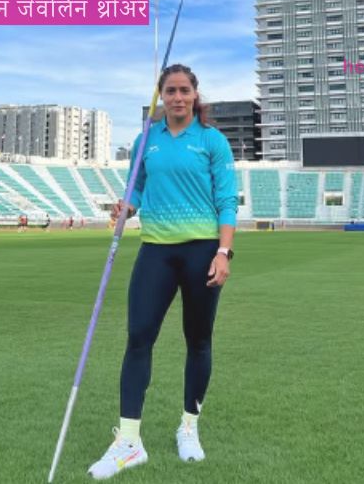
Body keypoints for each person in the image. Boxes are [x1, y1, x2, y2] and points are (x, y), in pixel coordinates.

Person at [88, 64, 238, 480]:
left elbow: (227, 200)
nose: (177, 97)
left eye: (184, 90)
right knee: (138, 337)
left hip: (202, 250)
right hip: (155, 250)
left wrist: (223, 252)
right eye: (170, 90)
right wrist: (127, 207)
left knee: (198, 340)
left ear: (195, 94)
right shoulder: (146, 140)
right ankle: (129, 442)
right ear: (161, 95)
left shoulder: (211, 140)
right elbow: (136, 187)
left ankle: (189, 426)